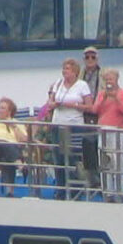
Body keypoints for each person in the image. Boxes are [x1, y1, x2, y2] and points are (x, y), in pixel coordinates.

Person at [47, 57, 94, 198]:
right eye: (63, 68)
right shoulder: (58, 83)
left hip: (74, 126)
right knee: (59, 158)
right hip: (58, 125)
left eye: (67, 69)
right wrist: (54, 104)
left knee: (73, 157)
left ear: (75, 71)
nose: (64, 71)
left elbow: (89, 106)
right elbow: (50, 102)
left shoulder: (82, 85)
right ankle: (60, 189)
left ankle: (75, 189)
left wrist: (74, 105)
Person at [92, 68, 123, 199]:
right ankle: (107, 192)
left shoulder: (122, 93)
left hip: (118, 130)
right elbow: (94, 110)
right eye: (106, 79)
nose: (108, 81)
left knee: (118, 162)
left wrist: (116, 98)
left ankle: (120, 192)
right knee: (105, 162)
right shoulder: (101, 94)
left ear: (116, 79)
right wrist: (103, 98)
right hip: (103, 131)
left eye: (111, 79)